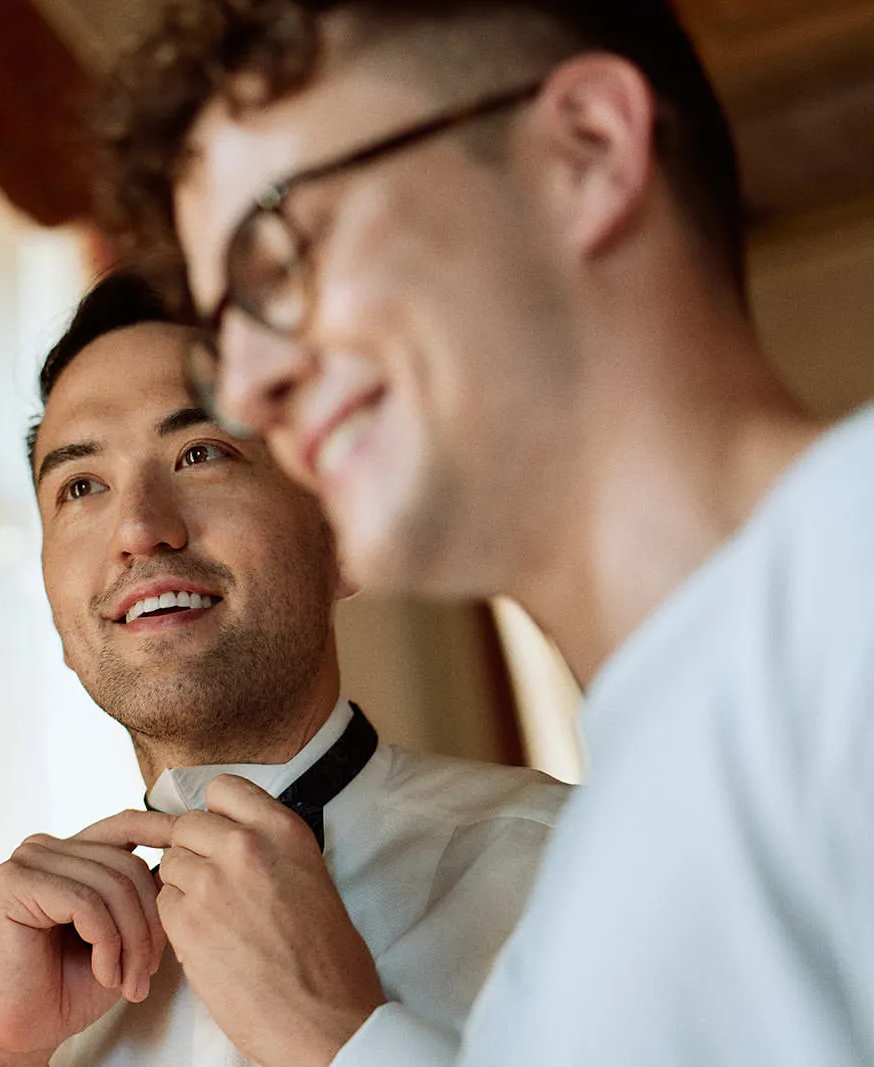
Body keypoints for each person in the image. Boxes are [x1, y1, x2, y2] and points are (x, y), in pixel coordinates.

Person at [95, 1, 873, 1065]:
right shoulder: (571, 920)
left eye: (281, 254)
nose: (248, 386)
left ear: (585, 151)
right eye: (222, 335)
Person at [0, 271, 566, 1067]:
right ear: (59, 610)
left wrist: (341, 1040)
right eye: (81, 486)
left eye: (201, 452)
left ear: (339, 533)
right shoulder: (34, 1013)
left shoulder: (577, 866)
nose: (138, 528)